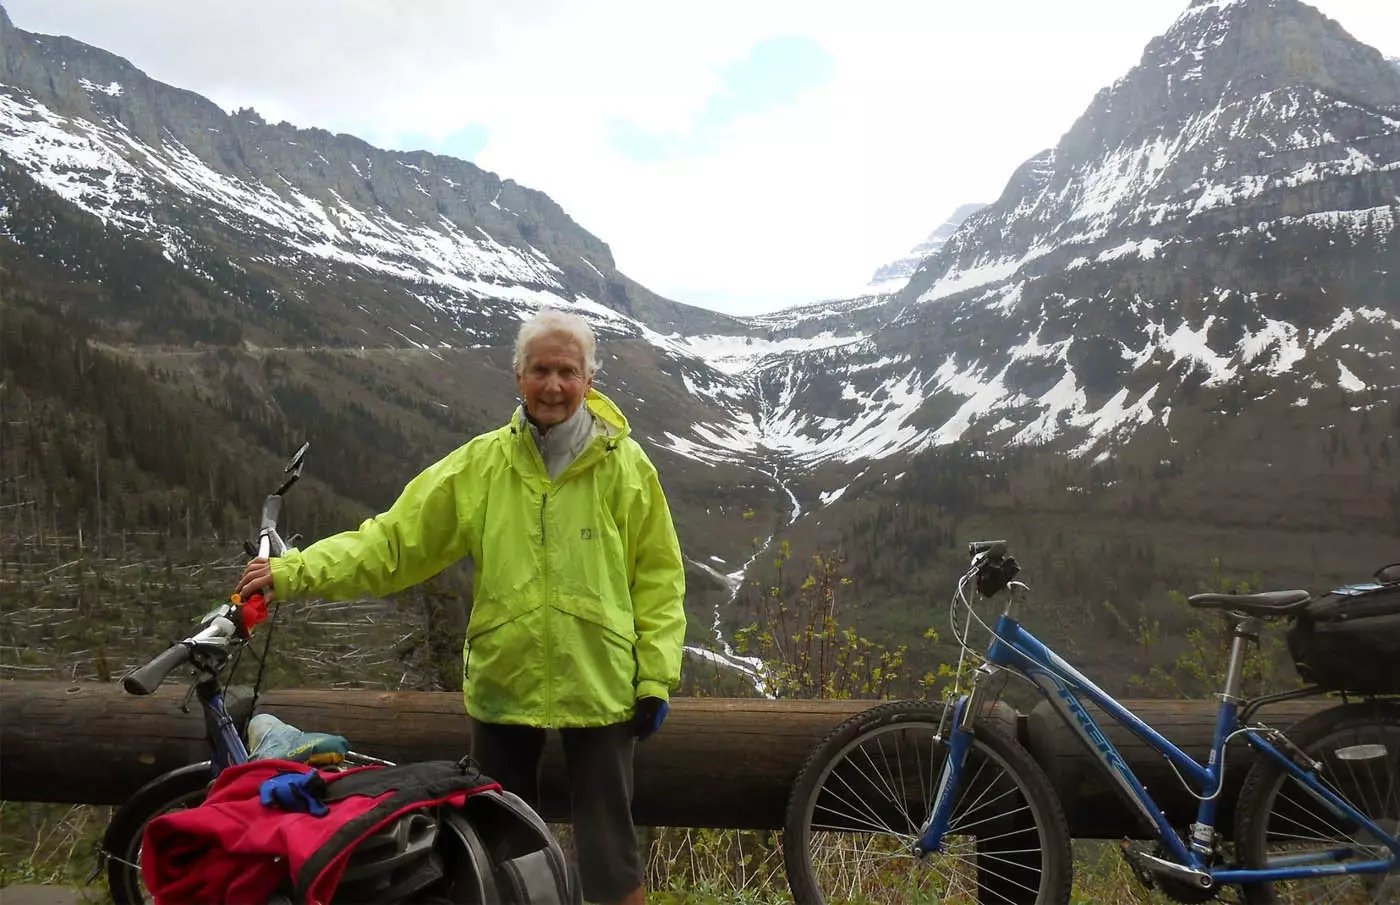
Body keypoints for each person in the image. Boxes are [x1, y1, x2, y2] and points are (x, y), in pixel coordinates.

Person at [235, 308, 687, 905]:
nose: (554, 386)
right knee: (500, 850)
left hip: (603, 681)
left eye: (568, 372)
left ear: (590, 380)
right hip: (505, 680)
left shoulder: (627, 468)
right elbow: (393, 544)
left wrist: (655, 676)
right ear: (518, 376)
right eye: (541, 370)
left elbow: (658, 577)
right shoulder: (480, 466)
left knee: (611, 856)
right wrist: (292, 573)